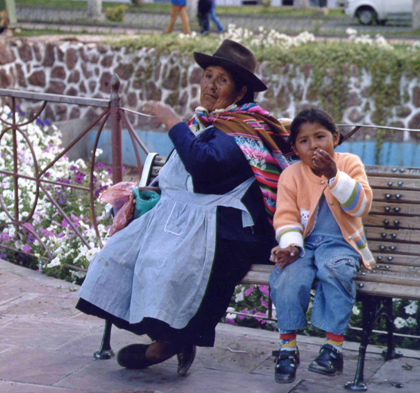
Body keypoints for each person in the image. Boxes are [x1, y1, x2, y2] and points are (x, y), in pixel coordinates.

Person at [76, 40, 295, 376]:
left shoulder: (243, 129)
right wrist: (146, 192)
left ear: (241, 91)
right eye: (208, 75)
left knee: (166, 263)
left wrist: (172, 122)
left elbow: (204, 166)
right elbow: (183, 175)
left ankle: (168, 344)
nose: (209, 84)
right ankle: (168, 336)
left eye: (221, 80)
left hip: (230, 231)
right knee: (119, 254)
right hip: (187, 219)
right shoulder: (210, 122)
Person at [269, 108, 374, 384]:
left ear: (335, 138)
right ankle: (287, 347)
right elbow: (286, 216)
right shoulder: (291, 175)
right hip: (304, 245)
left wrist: (333, 175)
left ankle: (333, 347)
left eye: (320, 137)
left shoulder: (350, 163)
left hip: (342, 243)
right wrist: (290, 245)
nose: (313, 145)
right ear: (294, 148)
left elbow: (361, 205)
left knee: (336, 271)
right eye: (304, 141)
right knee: (288, 276)